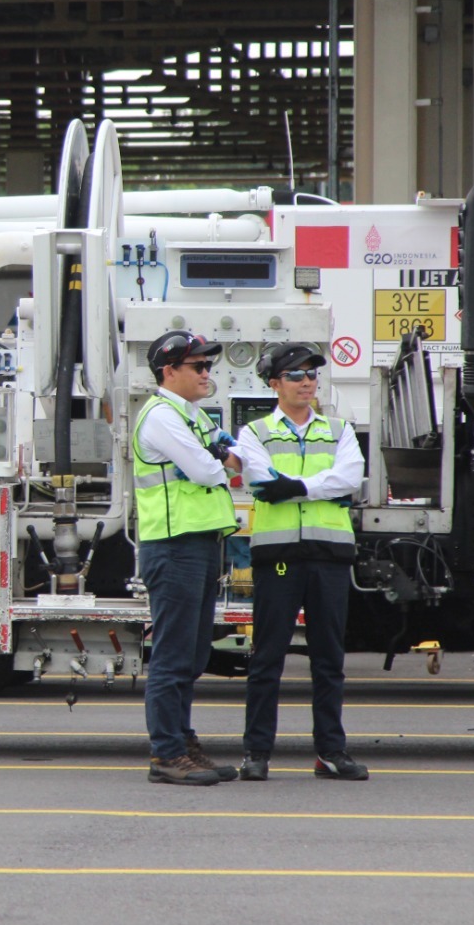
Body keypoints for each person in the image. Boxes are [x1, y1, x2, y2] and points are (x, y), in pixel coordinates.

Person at [235, 343, 369, 781]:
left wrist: (295, 486)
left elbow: (350, 478)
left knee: (329, 659)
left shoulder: (339, 429)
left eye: (312, 373)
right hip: (278, 557)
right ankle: (256, 753)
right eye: (296, 374)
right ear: (274, 383)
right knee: (267, 658)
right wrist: (321, 486)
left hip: (329, 555)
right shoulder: (254, 432)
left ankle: (331, 752)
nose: (307, 381)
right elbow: (260, 480)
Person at [132, 330, 242, 785]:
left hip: (197, 542)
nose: (206, 373)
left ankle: (182, 742)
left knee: (193, 654)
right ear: (169, 370)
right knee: (173, 657)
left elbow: (237, 456)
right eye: (198, 366)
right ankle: (167, 753)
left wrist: (221, 460)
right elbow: (209, 468)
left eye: (208, 366)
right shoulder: (161, 416)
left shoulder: (191, 415)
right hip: (173, 544)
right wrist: (220, 461)